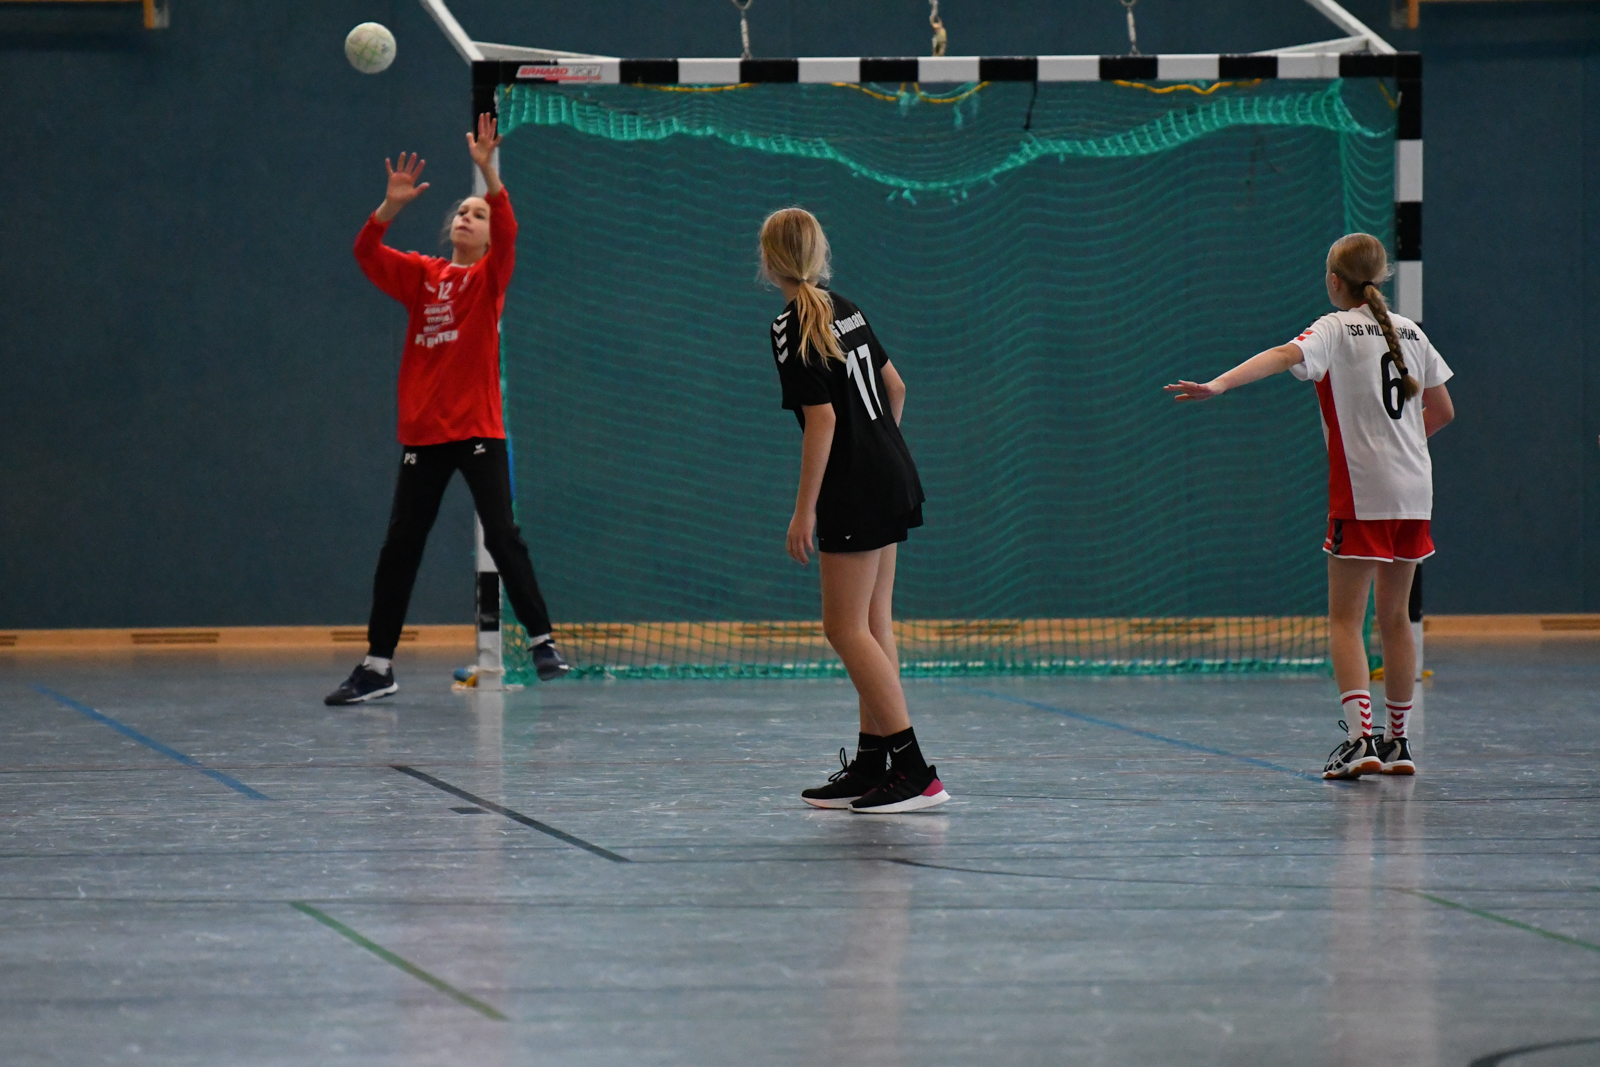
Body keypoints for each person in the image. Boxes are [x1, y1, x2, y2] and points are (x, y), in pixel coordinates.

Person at [1164, 233, 1454, 779]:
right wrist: (1400, 447)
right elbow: (1442, 411)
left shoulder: (1334, 328)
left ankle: (1361, 742)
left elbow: (1282, 355)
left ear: (1334, 281)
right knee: (1396, 618)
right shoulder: (1411, 332)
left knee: (1346, 620)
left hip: (1362, 492)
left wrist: (1218, 385)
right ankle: (1398, 743)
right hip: (1416, 491)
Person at [325, 114, 569, 705]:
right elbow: (365, 252)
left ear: (487, 237)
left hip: (479, 430)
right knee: (400, 548)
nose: (467, 217)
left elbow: (509, 231)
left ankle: (542, 642)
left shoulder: (489, 280)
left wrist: (490, 176)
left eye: (477, 214)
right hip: (424, 435)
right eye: (462, 211)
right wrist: (389, 207)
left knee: (503, 534)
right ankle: (377, 667)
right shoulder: (422, 277)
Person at [761, 207, 949, 813]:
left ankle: (915, 772)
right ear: (818, 254)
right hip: (894, 470)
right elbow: (897, 387)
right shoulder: (847, 307)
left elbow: (822, 420)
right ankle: (873, 764)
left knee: (843, 629)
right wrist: (879, 449)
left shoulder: (790, 326)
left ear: (769, 262)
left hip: (857, 487)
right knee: (872, 624)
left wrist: (804, 511)